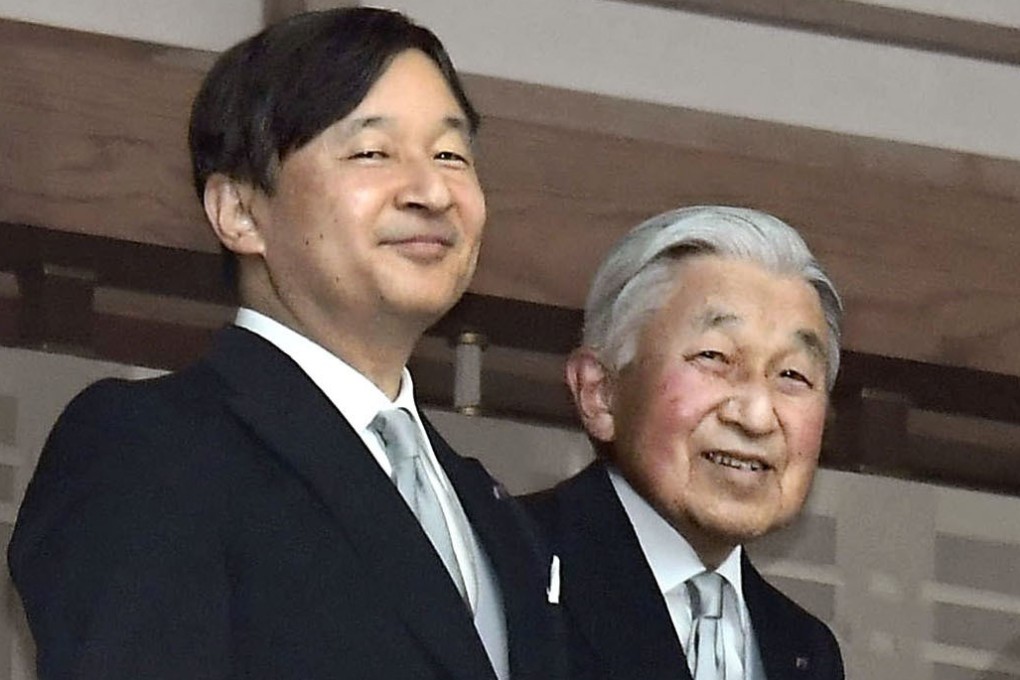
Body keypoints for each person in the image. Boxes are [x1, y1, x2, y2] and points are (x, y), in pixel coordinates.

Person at [9, 8, 563, 680]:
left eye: (451, 155)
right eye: (373, 152)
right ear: (240, 212)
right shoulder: (151, 445)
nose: (431, 191)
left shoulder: (491, 512)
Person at [526, 206, 845, 680]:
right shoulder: (508, 565)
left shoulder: (806, 650)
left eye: (792, 375)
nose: (757, 416)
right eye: (714, 357)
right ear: (600, 392)